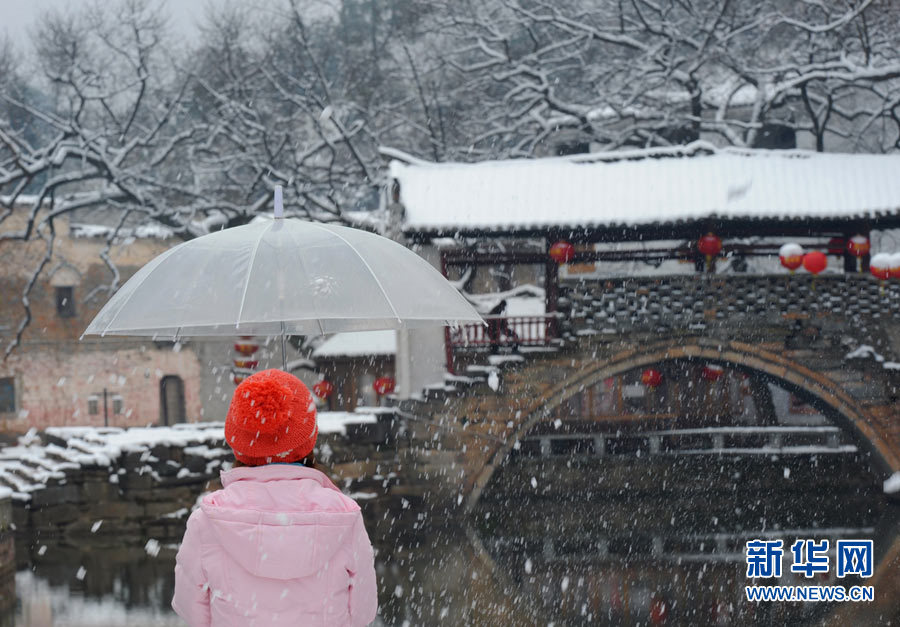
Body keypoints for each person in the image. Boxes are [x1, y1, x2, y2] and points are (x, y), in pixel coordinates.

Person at [172, 369, 378, 626]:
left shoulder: (205, 522)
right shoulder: (344, 517)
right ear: (308, 438)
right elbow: (363, 612)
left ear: (237, 439)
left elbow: (190, 608)